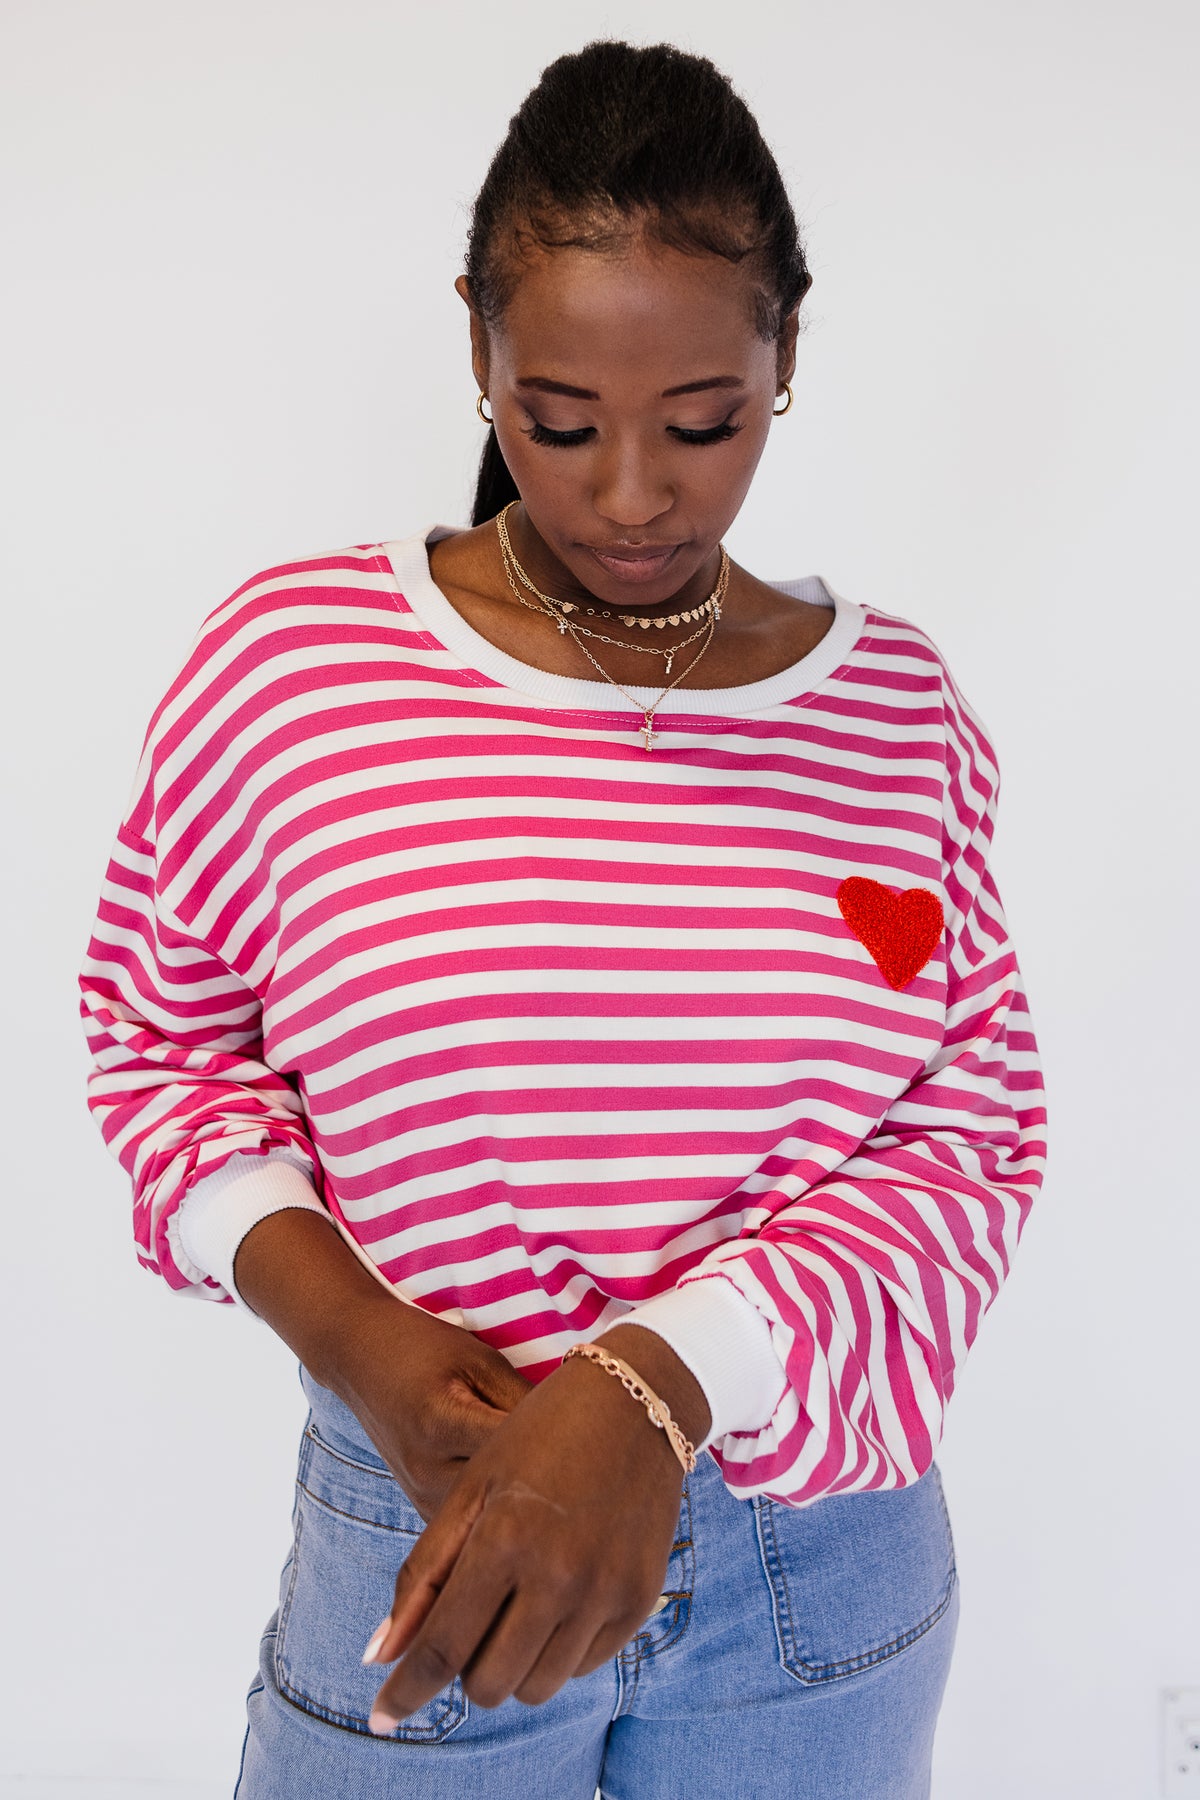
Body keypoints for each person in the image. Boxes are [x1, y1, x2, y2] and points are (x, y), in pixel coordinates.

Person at [78, 38, 1046, 1800]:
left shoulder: (896, 713)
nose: (629, 496)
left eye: (704, 424)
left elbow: (967, 1140)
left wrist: (658, 1381)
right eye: (559, 420)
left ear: (785, 356)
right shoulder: (298, 670)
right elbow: (163, 1046)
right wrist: (360, 1342)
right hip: (420, 1521)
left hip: (811, 1562)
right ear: (477, 350)